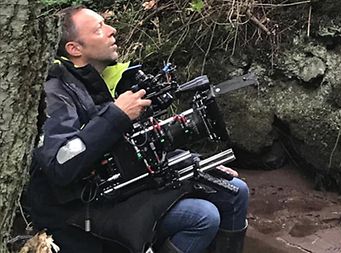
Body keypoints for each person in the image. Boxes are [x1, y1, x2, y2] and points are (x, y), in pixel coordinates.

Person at [27, 5, 249, 253]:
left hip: (118, 191)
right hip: (79, 210)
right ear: (74, 48)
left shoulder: (98, 84)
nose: (112, 31)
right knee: (202, 216)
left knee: (235, 191)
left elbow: (136, 145)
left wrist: (192, 163)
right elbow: (61, 163)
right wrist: (117, 115)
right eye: (99, 29)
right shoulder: (56, 93)